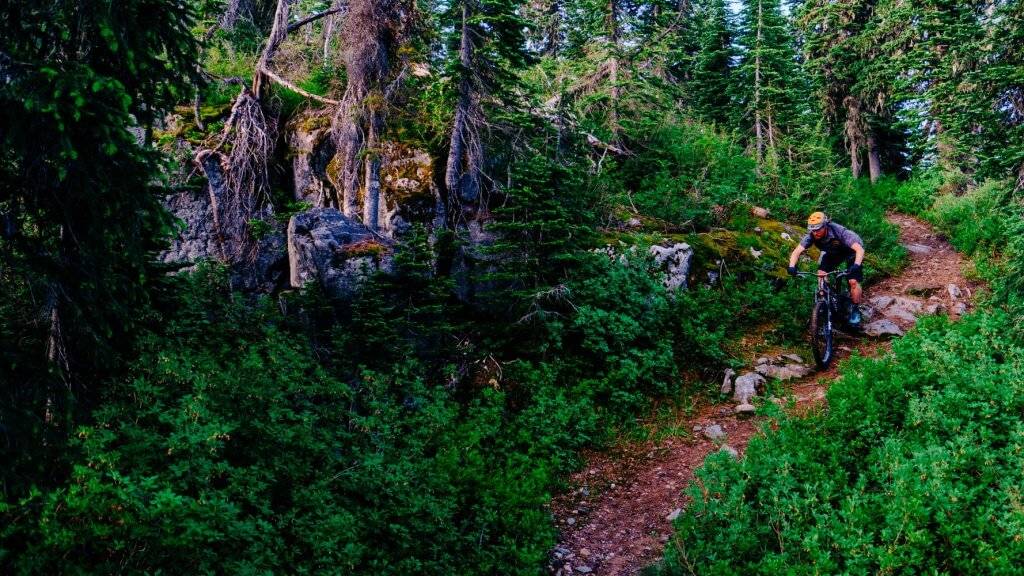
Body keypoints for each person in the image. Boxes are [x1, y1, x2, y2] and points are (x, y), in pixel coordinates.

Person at [787, 211, 865, 325]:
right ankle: (824, 302)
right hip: (832, 253)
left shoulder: (840, 232)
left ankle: (855, 309)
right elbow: (796, 252)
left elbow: (859, 250)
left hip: (851, 252)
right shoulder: (812, 235)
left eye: (818, 229)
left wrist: (856, 265)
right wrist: (791, 266)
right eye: (812, 230)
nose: (815, 233)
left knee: (853, 281)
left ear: (825, 225)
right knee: (821, 274)